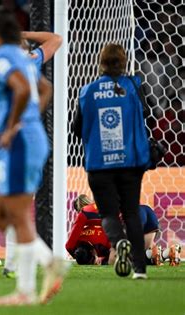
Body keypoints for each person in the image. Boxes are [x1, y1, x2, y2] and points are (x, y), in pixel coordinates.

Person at [0, 7, 67, 306]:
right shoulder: (21, 57)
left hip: (19, 144)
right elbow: (43, 87)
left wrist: (14, 127)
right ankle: (46, 264)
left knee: (15, 214)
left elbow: (25, 89)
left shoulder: (3, 59)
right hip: (23, 141)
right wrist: (29, 121)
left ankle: (29, 285)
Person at [73, 43, 151, 279]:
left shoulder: (87, 91)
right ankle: (139, 270)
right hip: (130, 162)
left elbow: (77, 128)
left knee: (108, 214)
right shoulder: (135, 86)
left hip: (99, 164)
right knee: (131, 213)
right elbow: (146, 114)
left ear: (101, 63)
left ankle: (119, 244)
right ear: (124, 61)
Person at [70, 194, 181, 266]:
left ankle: (157, 254)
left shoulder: (89, 219)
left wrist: (102, 260)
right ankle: (168, 253)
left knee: (117, 260)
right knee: (141, 254)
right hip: (146, 211)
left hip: (130, 218)